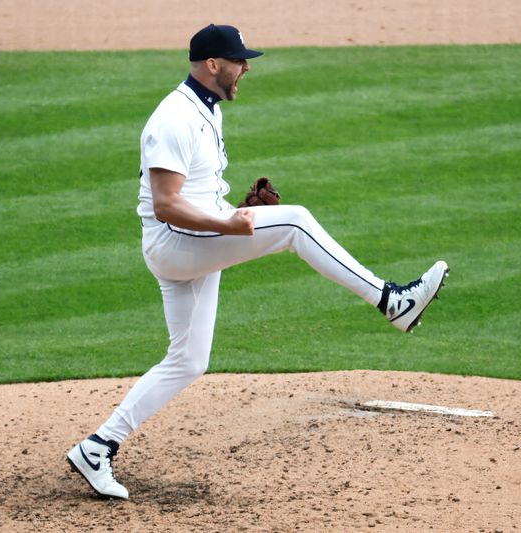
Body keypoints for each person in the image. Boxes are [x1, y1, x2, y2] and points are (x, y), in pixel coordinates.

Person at [66, 23, 449, 500]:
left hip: (193, 240)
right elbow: (166, 204)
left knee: (188, 360)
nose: (246, 67)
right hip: (176, 245)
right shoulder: (173, 119)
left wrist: (236, 209)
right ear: (212, 65)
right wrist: (230, 226)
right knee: (296, 223)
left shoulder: (206, 110)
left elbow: (198, 194)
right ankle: (391, 300)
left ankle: (97, 447)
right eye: (238, 60)